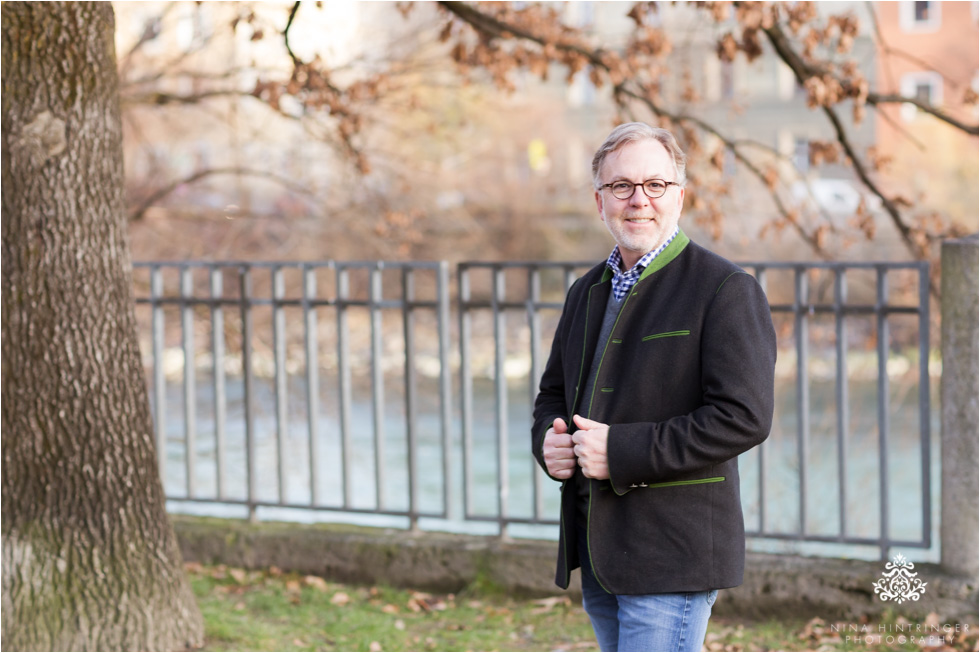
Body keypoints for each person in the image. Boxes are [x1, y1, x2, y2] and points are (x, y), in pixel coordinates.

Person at [532, 122, 777, 652]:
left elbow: (744, 417)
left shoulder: (726, 289)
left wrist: (619, 451)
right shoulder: (585, 291)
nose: (638, 199)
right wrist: (547, 444)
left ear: (679, 196)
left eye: (655, 185)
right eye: (621, 186)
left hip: (672, 551)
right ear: (600, 202)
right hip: (599, 547)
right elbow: (553, 394)